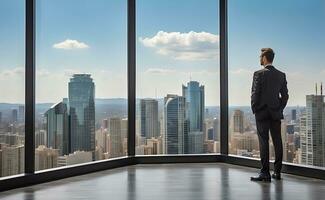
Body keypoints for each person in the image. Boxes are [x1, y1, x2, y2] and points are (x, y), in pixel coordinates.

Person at [250, 48, 289, 182]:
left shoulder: (258, 74)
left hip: (261, 113)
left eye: (260, 57)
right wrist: (279, 108)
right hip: (275, 112)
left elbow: (255, 94)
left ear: (265, 57)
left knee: (263, 141)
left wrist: (255, 108)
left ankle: (265, 173)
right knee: (277, 141)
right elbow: (285, 96)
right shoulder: (281, 75)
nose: (259, 59)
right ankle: (277, 173)